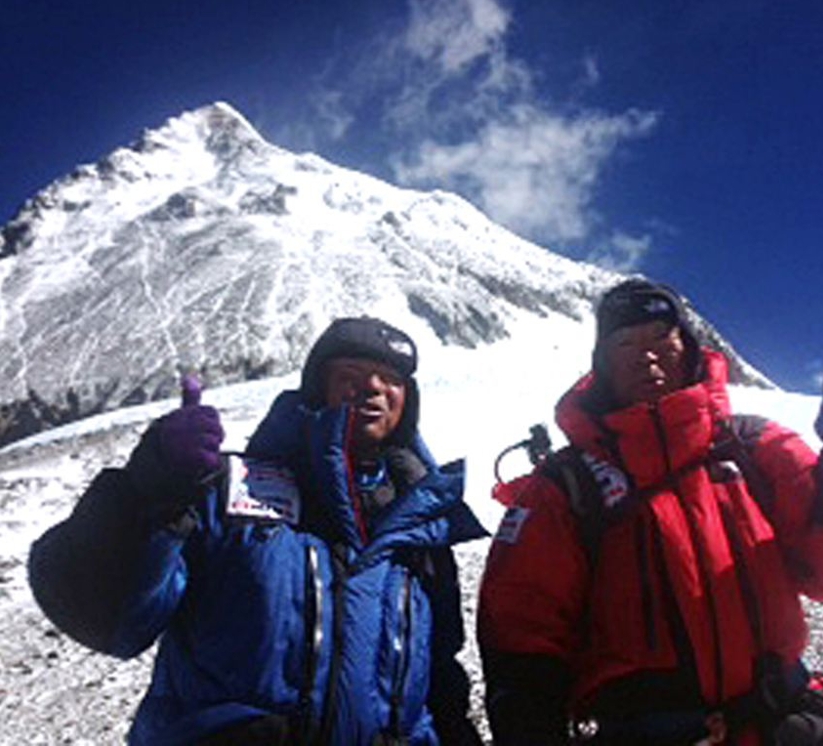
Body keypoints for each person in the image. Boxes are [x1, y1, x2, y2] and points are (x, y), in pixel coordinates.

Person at [477, 279, 823, 746]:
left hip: (776, 724)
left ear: (688, 348)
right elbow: (523, 630)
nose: (647, 356)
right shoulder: (564, 486)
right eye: (626, 343)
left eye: (662, 338)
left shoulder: (757, 447)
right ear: (602, 364)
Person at [29, 316, 487, 746]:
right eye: (351, 372)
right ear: (316, 387)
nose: (373, 386)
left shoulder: (422, 529)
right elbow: (111, 619)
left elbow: (439, 673)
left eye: (391, 379)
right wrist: (150, 488)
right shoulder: (228, 492)